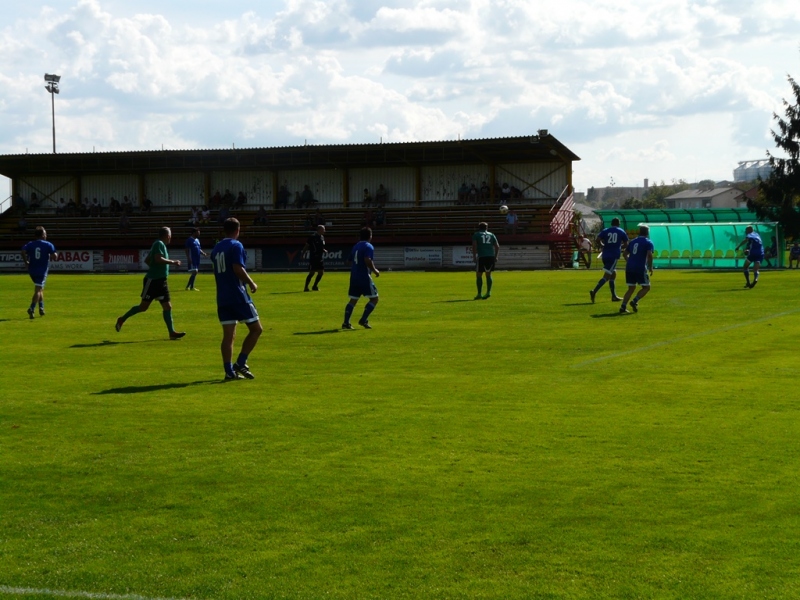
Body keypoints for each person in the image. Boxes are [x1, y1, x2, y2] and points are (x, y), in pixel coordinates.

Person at [211, 217, 262, 381]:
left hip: (222, 297)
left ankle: (228, 371)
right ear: (237, 230)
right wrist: (251, 282)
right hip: (238, 295)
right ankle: (241, 362)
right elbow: (237, 268)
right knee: (256, 329)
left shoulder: (217, 248)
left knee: (228, 336)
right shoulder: (236, 245)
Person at [115, 227, 185, 340]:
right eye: (170, 235)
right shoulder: (159, 244)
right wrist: (173, 262)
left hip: (161, 281)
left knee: (167, 306)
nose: (171, 237)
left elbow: (148, 260)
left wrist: (156, 269)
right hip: (153, 281)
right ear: (167, 236)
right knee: (143, 307)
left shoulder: (158, 245)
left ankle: (171, 332)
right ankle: (122, 319)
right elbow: (157, 259)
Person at [343, 227, 380, 330]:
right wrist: (375, 270)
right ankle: (363, 320)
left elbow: (348, 261)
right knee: (374, 299)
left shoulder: (356, 246)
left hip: (354, 276)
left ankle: (346, 322)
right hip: (364, 276)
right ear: (370, 236)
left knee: (353, 300)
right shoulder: (368, 246)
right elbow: (367, 259)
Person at [21, 226, 57, 319]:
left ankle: (41, 307)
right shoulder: (48, 244)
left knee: (40, 288)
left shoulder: (30, 244)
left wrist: (26, 262)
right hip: (41, 271)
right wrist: (54, 255)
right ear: (42, 235)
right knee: (38, 289)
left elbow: (23, 251)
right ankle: (32, 308)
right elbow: (54, 256)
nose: (46, 235)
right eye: (45, 233)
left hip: (32, 270)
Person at [590, 217, 629, 303]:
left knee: (613, 274)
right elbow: (626, 244)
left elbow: (597, 239)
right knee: (607, 276)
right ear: (619, 224)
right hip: (613, 255)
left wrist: (603, 245)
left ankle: (614, 296)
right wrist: (618, 247)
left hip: (605, 255)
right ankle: (594, 291)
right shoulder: (621, 231)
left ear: (611, 223)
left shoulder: (606, 230)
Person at [619, 225, 654, 314]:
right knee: (646, 287)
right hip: (640, 268)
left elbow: (624, 254)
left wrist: (629, 261)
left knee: (631, 288)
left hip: (629, 267)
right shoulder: (648, 242)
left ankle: (623, 306)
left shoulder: (633, 241)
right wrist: (650, 267)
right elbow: (649, 255)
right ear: (647, 233)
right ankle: (634, 301)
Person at [472, 222, 500, 300]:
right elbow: (497, 246)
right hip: (490, 256)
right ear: (486, 228)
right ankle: (488, 292)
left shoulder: (476, 235)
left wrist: (474, 256)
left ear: (479, 227)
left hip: (482, 256)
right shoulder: (491, 234)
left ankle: (479, 294)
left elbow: (474, 246)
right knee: (488, 275)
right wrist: (496, 256)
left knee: (479, 275)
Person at [303, 225, 326, 292]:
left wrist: (323, 250)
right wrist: (303, 254)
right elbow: (306, 246)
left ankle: (315, 286)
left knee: (321, 272)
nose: (324, 231)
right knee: (312, 273)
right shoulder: (312, 237)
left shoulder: (322, 237)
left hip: (320, 257)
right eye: (323, 229)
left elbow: (321, 246)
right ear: (319, 230)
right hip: (314, 257)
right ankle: (306, 287)